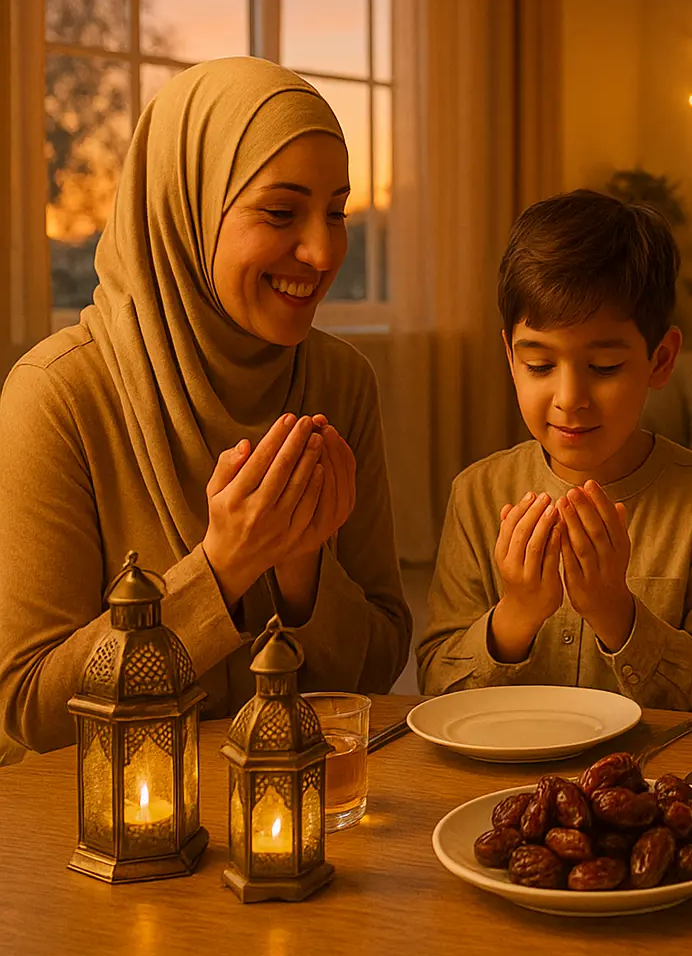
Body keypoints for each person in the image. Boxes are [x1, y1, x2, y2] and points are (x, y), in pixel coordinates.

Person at [0, 57, 412, 762]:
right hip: (112, 838)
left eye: (337, 212)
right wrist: (222, 569)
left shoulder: (342, 383)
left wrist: (304, 573)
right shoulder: (59, 394)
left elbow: (375, 672)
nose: (321, 250)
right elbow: (31, 710)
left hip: (303, 825)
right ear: (183, 210)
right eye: (281, 213)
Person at [416, 190, 692, 714]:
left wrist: (616, 613)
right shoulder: (478, 495)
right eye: (539, 366)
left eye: (603, 368)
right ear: (510, 356)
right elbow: (436, 686)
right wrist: (517, 614)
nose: (570, 399)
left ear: (660, 360)